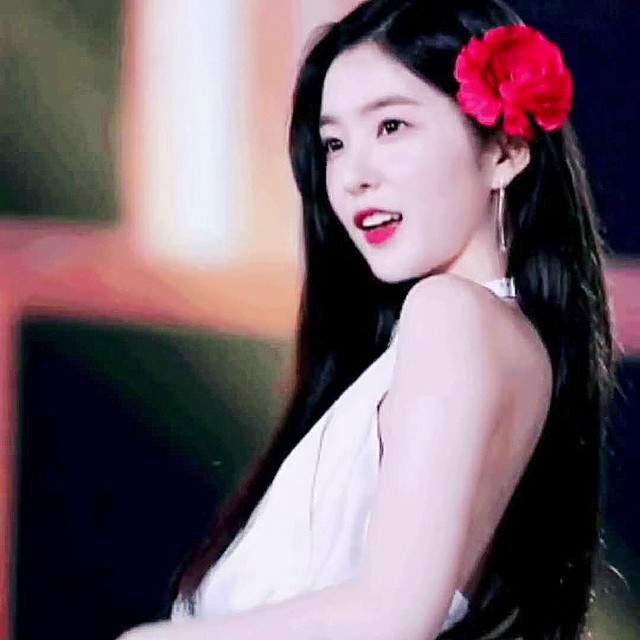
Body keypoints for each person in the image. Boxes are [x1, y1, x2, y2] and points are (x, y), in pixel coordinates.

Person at [120, 0, 620, 638]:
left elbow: (394, 614)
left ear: (504, 151)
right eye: (334, 143)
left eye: (391, 126)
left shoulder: (452, 315)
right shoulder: (506, 338)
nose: (353, 176)